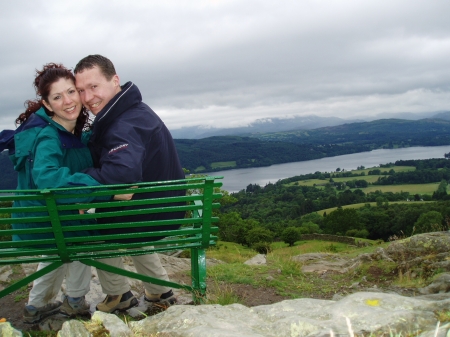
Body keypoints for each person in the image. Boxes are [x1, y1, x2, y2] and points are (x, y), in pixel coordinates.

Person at [0, 63, 131, 323]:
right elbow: (48, 179)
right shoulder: (49, 137)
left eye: (71, 92)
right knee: (81, 235)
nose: (68, 101)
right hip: (45, 218)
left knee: (69, 239)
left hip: (40, 216)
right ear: (47, 105)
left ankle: (40, 305)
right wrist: (105, 192)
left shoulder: (63, 132)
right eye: (57, 97)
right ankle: (74, 301)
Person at [74, 55, 185, 313]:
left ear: (115, 81)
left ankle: (118, 295)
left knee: (87, 227)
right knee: (122, 217)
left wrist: (79, 184)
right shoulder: (134, 110)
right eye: (81, 90)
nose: (88, 97)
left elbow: (122, 171)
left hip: (152, 214)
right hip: (164, 208)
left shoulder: (122, 123)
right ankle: (160, 290)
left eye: (94, 87)